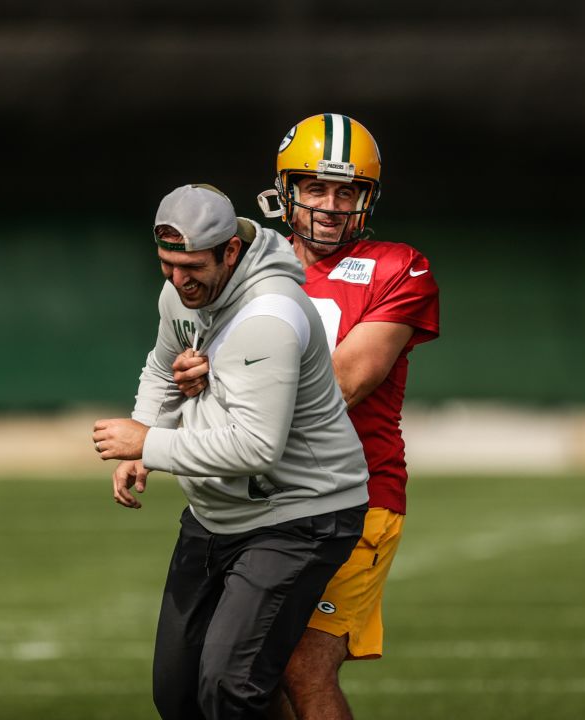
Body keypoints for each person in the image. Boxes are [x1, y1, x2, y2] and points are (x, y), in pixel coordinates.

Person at [173, 114, 440, 720]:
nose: (328, 204)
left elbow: (345, 381)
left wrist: (223, 387)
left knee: (300, 665)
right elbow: (188, 358)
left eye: (346, 191)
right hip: (256, 498)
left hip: (355, 493)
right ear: (285, 190)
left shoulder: (399, 267)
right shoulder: (243, 268)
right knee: (245, 676)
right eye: (315, 188)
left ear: (366, 199)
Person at [89, 183, 370, 720]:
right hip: (218, 515)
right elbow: (160, 362)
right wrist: (143, 432)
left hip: (300, 516)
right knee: (178, 693)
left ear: (231, 252)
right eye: (167, 264)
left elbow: (256, 446)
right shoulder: (179, 292)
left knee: (230, 684)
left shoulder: (269, 315)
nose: (177, 279)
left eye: (191, 265)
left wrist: (148, 441)